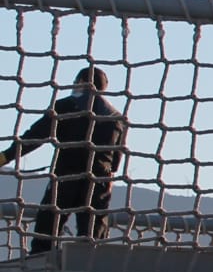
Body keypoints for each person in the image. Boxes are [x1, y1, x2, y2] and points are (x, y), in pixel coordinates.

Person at [0, 66, 129, 252]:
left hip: (66, 178)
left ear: (81, 82)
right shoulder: (117, 118)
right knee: (93, 241)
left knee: (46, 233)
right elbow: (115, 161)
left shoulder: (65, 107)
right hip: (98, 184)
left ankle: (44, 264)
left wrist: (5, 157)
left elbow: (33, 137)